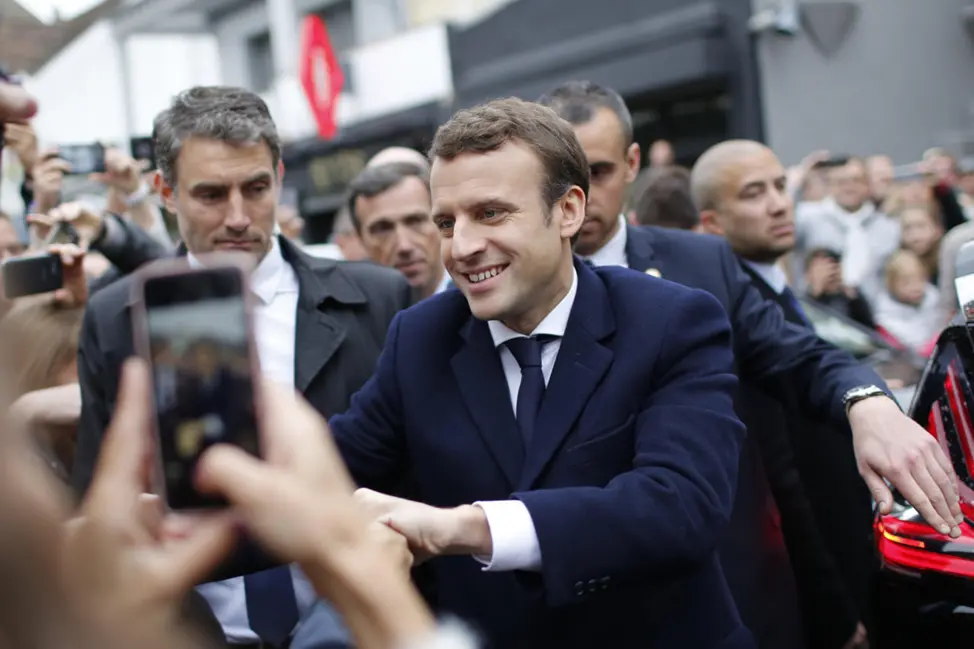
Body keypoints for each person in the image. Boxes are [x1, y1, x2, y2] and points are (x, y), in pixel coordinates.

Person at [538, 82, 962, 648]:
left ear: (633, 163)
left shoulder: (700, 263)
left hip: (737, 594)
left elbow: (798, 356)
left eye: (599, 171)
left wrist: (868, 402)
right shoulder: (510, 287)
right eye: (565, 175)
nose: (582, 194)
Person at [330, 97, 753, 649]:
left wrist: (462, 527)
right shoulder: (420, 339)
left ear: (569, 211)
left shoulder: (670, 321)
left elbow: (679, 505)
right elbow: (324, 475)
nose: (462, 247)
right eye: (447, 223)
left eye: (491, 213)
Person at [70, 86, 412, 649]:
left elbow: (411, 480)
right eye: (210, 194)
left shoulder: (378, 299)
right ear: (165, 192)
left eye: (255, 189)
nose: (237, 217)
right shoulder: (115, 319)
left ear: (279, 177)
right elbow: (99, 496)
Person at [346, 161, 450, 301]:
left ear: (442, 222)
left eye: (415, 221)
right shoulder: (350, 312)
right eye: (383, 229)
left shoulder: (475, 302)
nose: (404, 246)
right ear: (360, 238)